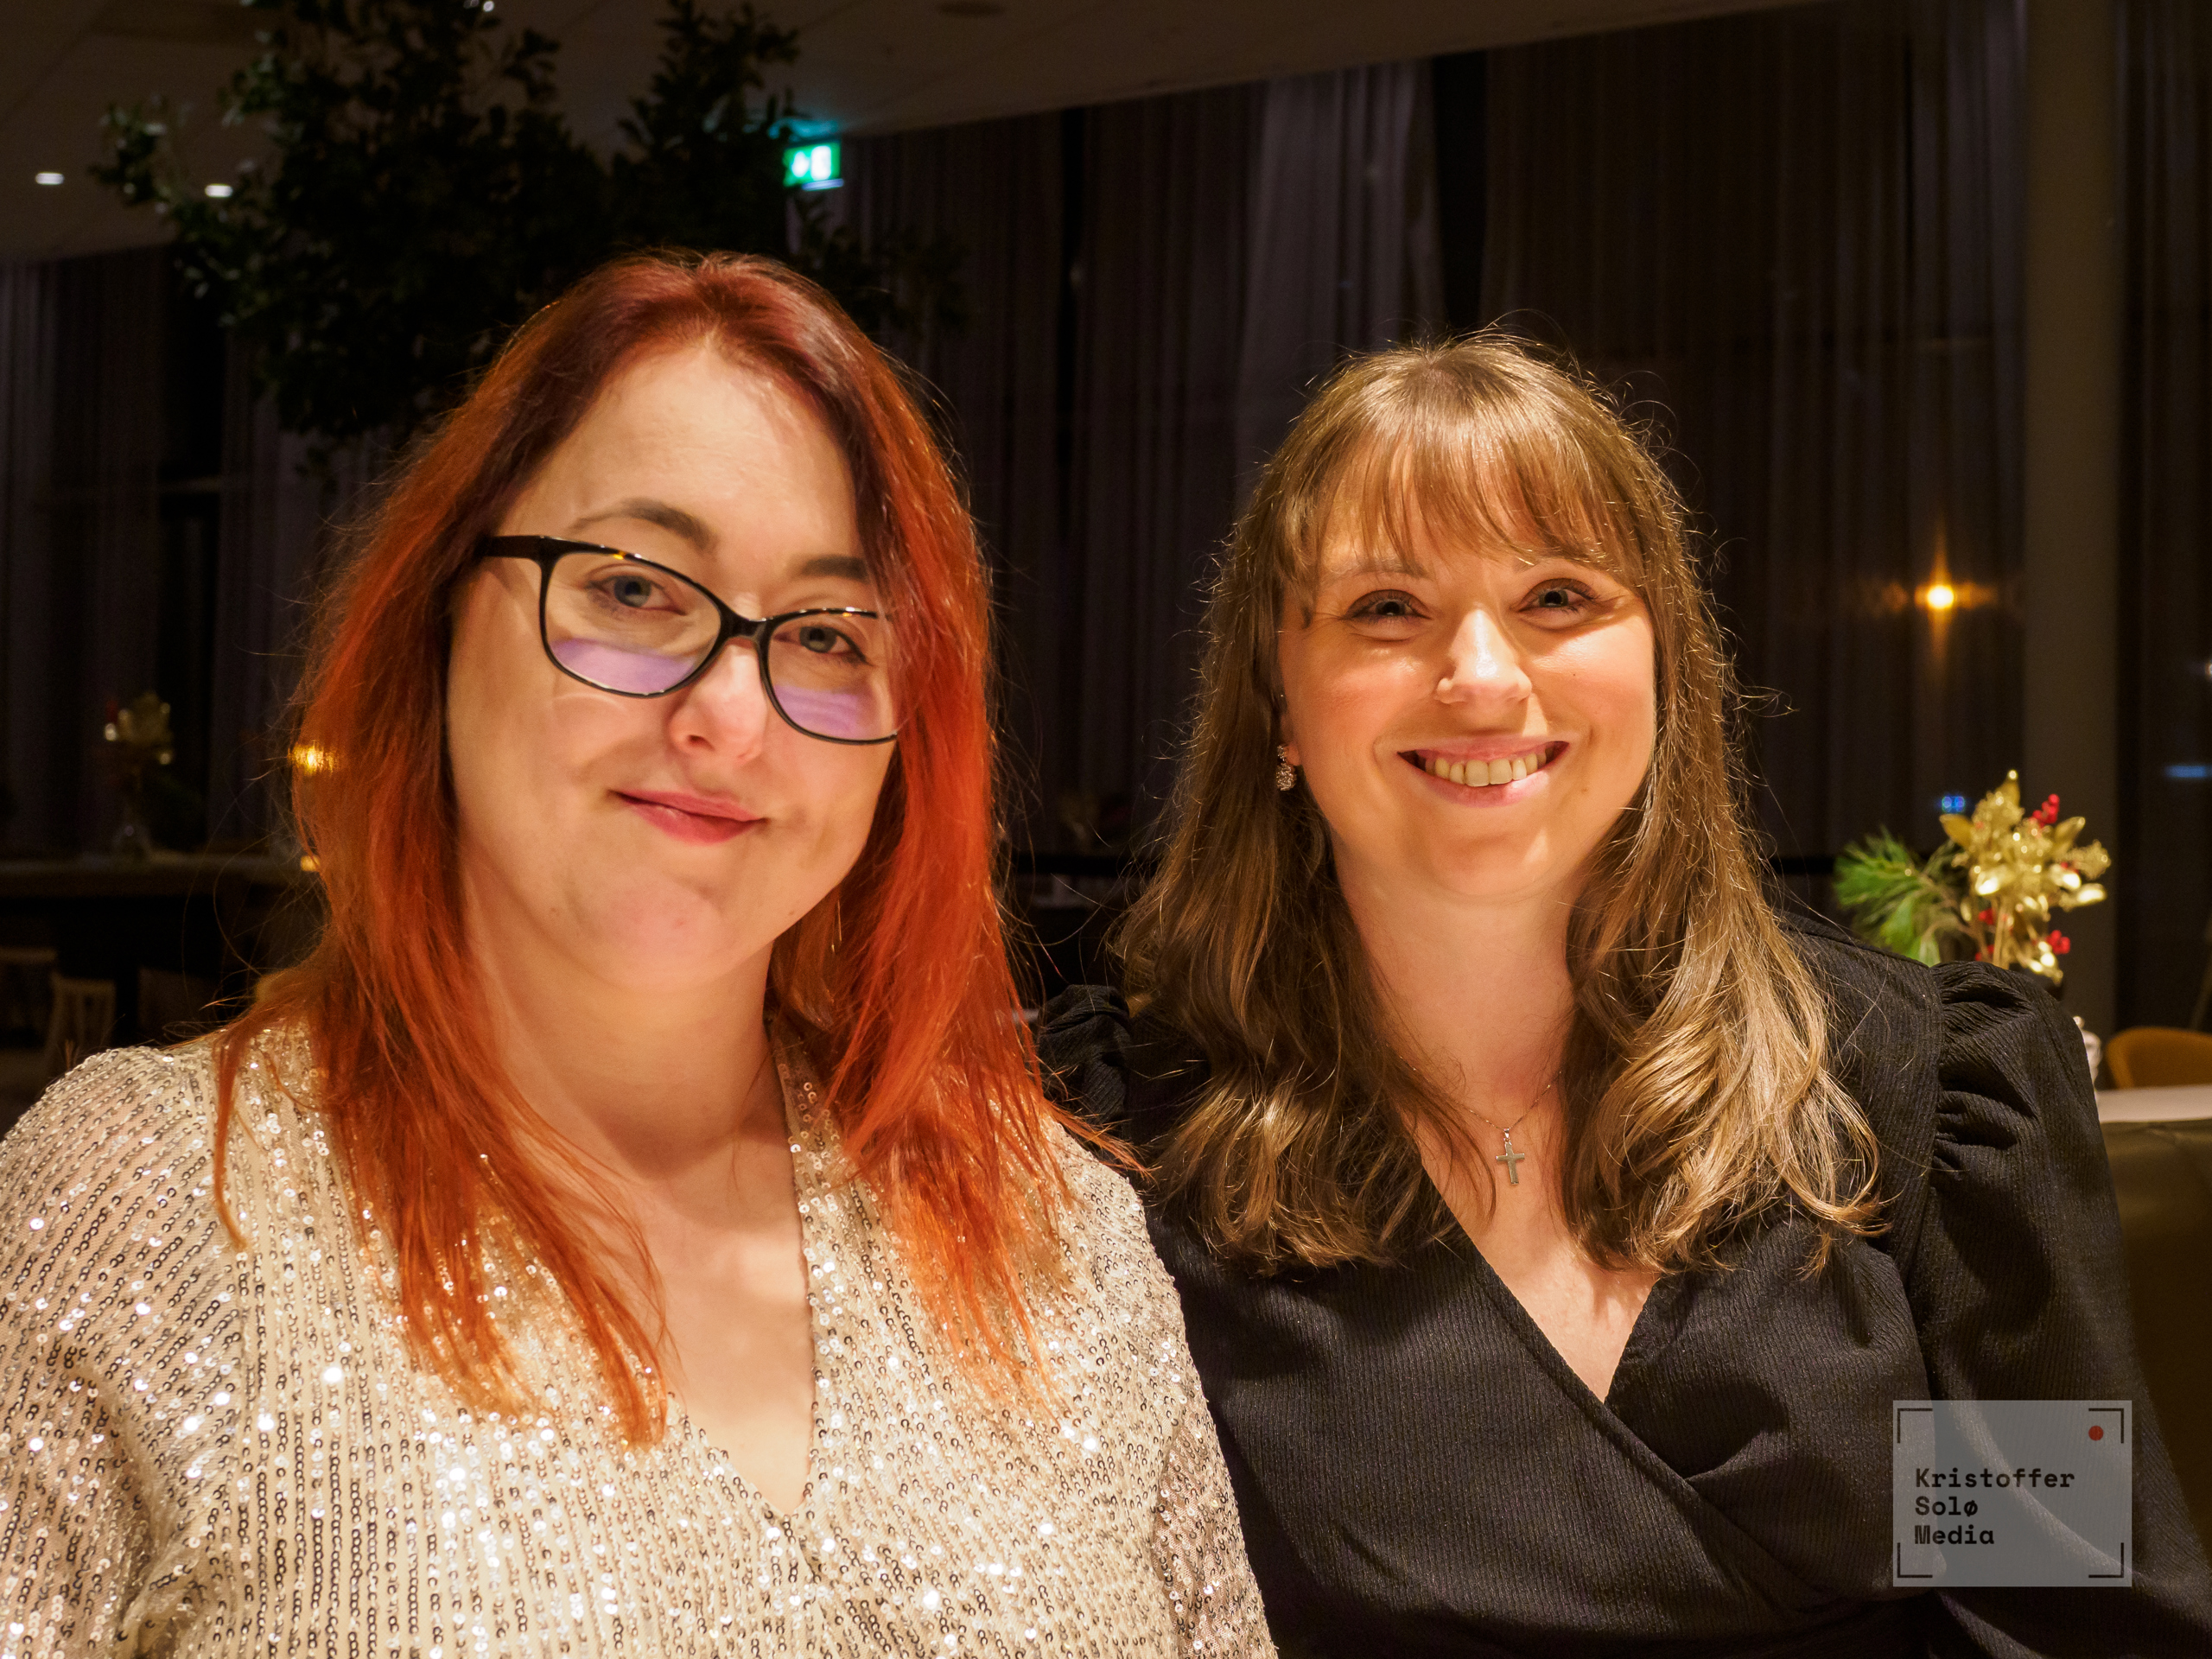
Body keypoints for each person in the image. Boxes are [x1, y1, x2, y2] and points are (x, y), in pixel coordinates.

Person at [0, 254, 1268, 1656]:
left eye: (827, 634)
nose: (732, 715)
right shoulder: (150, 1206)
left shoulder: (1055, 1240)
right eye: (630, 588)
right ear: (439, 615)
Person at [1038, 337, 2212, 1657]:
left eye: (1556, 595)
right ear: (1277, 703)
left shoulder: (1923, 1099)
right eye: (1386, 607)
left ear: (1663, 663)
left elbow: (2061, 1609)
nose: (1484, 677)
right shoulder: (1118, 1143)